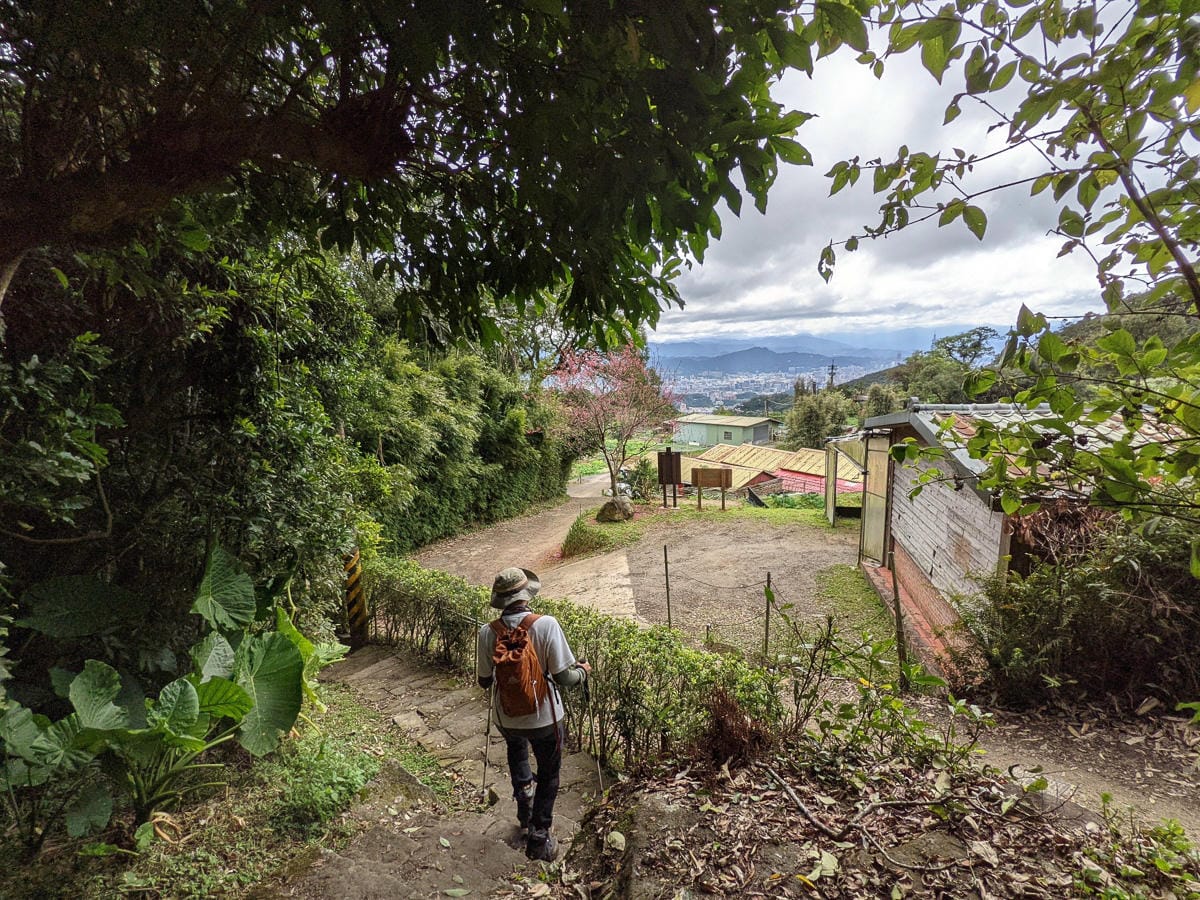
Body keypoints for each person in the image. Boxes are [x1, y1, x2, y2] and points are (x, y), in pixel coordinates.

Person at [477, 566, 591, 862]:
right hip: (545, 719)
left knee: (517, 753)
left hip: (507, 718)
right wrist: (583, 672)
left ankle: (524, 808)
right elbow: (565, 678)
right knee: (550, 773)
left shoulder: (487, 632)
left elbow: (484, 680)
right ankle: (540, 838)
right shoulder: (546, 625)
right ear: (527, 595)